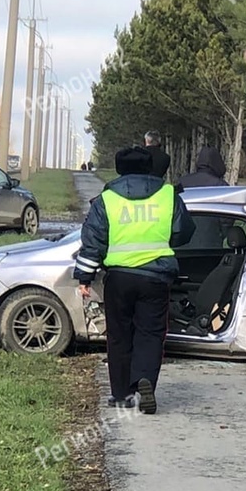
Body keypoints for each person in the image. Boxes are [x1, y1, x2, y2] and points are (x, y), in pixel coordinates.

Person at [74, 145, 195, 414]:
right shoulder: (168, 195)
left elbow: (92, 242)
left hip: (118, 278)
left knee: (119, 335)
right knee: (151, 334)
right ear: (148, 166)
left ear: (119, 169)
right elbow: (185, 231)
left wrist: (84, 277)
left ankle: (121, 394)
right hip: (156, 277)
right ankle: (145, 381)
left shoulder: (107, 199)